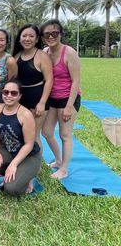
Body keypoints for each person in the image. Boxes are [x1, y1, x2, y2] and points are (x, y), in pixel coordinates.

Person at [0, 79, 42, 195]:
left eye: (14, 93)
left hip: (29, 156)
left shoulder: (25, 115)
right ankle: (16, 174)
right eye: (6, 92)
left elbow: (29, 144)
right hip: (9, 151)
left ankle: (29, 175)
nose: (9, 96)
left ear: (20, 96)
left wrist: (13, 164)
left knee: (11, 188)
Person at [41, 19, 81, 180]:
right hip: (52, 99)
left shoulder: (69, 52)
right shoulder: (45, 52)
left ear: (60, 34)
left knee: (65, 134)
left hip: (68, 98)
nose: (51, 37)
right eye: (47, 34)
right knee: (46, 132)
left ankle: (64, 169)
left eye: (54, 33)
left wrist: (69, 106)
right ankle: (58, 160)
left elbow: (76, 80)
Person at [12, 24, 53, 149]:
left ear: (36, 39)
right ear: (19, 39)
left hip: (37, 100)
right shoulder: (16, 56)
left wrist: (42, 102)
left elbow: (49, 80)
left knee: (34, 136)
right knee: (21, 133)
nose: (27, 39)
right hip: (20, 100)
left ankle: (36, 167)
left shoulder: (42, 56)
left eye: (31, 36)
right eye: (24, 36)